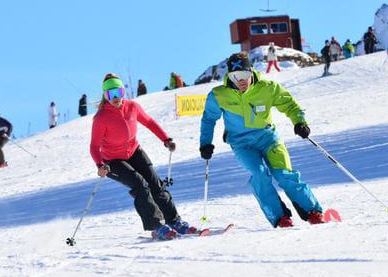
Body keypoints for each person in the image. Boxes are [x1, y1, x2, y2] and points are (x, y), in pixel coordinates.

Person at [199, 53, 328, 228]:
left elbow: (289, 104)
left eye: (245, 75)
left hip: (268, 139)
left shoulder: (267, 88)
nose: (241, 81)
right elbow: (209, 119)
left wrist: (299, 122)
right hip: (242, 144)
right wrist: (205, 143)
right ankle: (280, 217)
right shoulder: (219, 95)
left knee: (284, 174)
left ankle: (313, 211)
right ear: (229, 76)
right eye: (235, 77)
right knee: (259, 175)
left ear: (251, 72)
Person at [90, 73, 193, 240]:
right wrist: (99, 165)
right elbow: (94, 146)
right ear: (105, 95)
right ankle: (156, 226)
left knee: (155, 185)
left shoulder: (132, 107)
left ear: (124, 92)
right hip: (112, 161)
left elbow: (149, 122)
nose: (116, 98)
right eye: (111, 94)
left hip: (134, 152)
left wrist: (165, 139)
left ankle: (175, 221)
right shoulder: (101, 118)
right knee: (140, 185)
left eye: (119, 93)